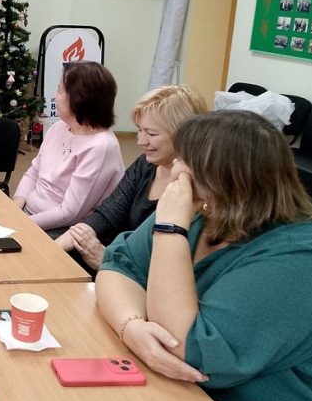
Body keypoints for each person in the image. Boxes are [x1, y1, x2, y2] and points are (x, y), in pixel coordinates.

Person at [96, 111, 312, 401]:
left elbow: (190, 351)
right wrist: (131, 326)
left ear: (224, 179)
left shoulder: (307, 255)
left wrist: (169, 229)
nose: (174, 169)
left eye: (184, 160)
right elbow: (118, 266)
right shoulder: (203, 210)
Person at [56, 85, 207, 274]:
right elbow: (107, 215)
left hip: (132, 276)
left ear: (184, 136)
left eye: (151, 134)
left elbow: (165, 271)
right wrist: (53, 250)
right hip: (114, 259)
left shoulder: (196, 192)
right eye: (140, 130)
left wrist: (106, 261)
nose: (141, 141)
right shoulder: (145, 165)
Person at [13, 62, 124, 236]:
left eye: (60, 91)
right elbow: (33, 173)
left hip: (61, 229)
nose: (55, 97)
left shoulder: (101, 146)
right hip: (29, 216)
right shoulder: (59, 127)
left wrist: (21, 224)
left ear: (79, 99)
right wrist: (14, 209)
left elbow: (70, 213)